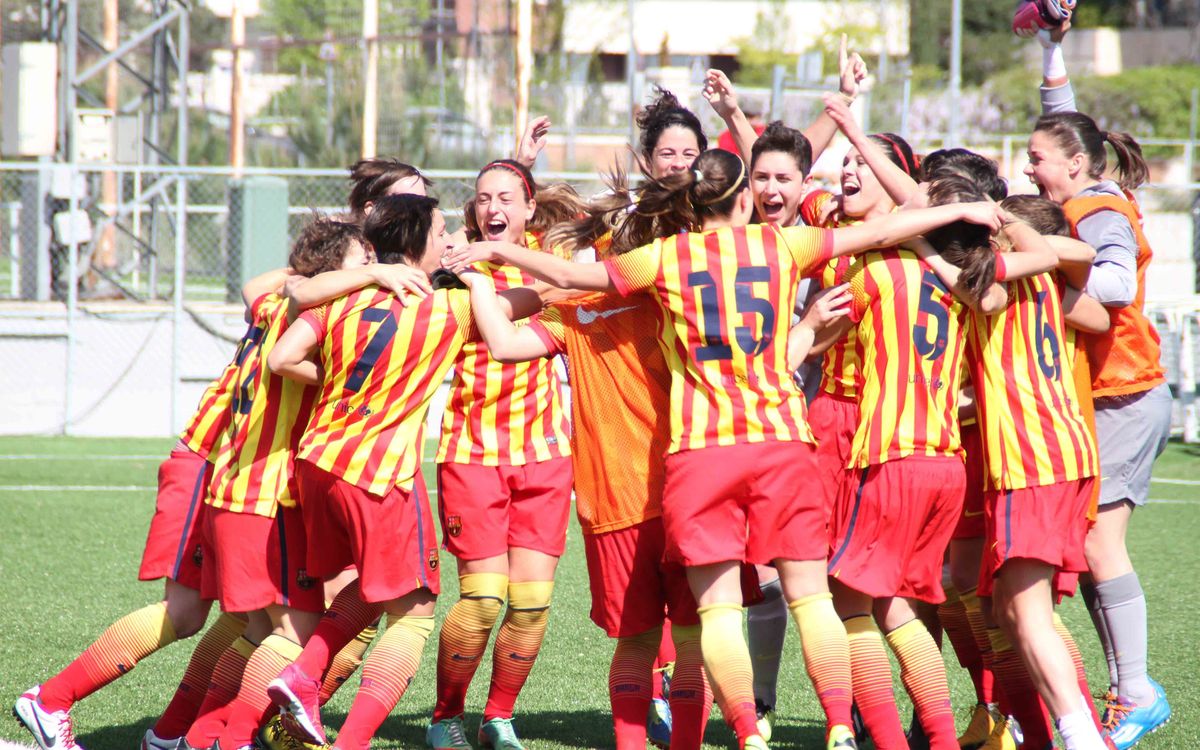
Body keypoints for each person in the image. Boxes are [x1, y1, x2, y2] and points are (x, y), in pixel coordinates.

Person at [444, 147, 1005, 750]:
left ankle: (747, 732)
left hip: (701, 454)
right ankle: (841, 725)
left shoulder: (662, 261)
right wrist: (971, 207)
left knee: (709, 619)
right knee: (813, 598)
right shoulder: (781, 245)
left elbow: (575, 278)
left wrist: (497, 253)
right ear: (743, 199)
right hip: (783, 441)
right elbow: (886, 225)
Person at [265, 195, 542, 750]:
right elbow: (511, 329)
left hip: (319, 462)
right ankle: (352, 740)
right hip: (380, 475)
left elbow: (281, 359)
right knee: (414, 615)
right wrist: (486, 278)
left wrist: (350, 385)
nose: (447, 240)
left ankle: (301, 675)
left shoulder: (346, 296)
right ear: (417, 244)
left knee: (373, 586)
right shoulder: (448, 308)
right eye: (441, 232)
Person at [179, 217, 375, 750]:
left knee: (260, 632)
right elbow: (298, 310)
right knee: (296, 635)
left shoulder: (274, 305)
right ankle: (236, 737)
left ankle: (198, 737)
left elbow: (258, 287)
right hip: (266, 494)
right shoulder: (312, 314)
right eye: (363, 259)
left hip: (236, 488)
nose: (372, 268)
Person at [1026, 40, 1173, 745]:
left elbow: (1112, 285)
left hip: (1125, 389)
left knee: (1096, 541)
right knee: (1086, 545)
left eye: (1037, 159)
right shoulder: (1084, 188)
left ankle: (1137, 689)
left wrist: (1037, 256)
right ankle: (1127, 686)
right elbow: (1064, 118)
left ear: (1076, 164)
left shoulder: (1093, 207)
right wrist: (1052, 47)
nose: (1029, 167)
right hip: (1107, 393)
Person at [13, 342, 261, 750]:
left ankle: (169, 735)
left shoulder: (295, 298)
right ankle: (50, 699)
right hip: (210, 466)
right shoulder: (301, 301)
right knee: (185, 613)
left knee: (246, 613)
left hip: (226, 470)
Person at [424, 159, 583, 750]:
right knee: (484, 599)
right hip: (472, 454)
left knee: (532, 603)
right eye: (485, 198)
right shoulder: (452, 264)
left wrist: (523, 161)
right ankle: (446, 717)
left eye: (507, 199)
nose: (495, 209)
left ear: (528, 208)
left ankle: (499, 717)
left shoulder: (545, 257)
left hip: (544, 456)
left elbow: (557, 286)